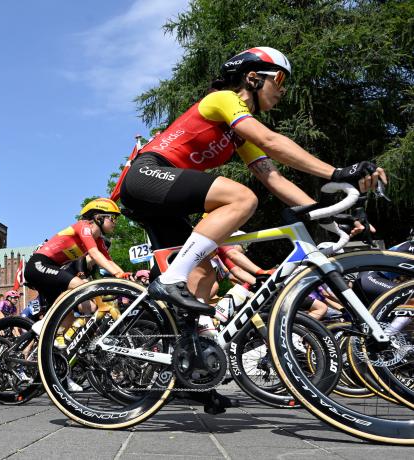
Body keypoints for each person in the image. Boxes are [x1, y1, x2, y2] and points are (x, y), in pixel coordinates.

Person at [112, 47, 386, 413]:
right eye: (281, 80)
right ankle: (170, 279)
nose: (284, 90)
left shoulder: (241, 136)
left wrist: (327, 214)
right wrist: (338, 173)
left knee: (205, 279)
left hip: (165, 199)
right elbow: (274, 142)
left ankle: (188, 374)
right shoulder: (223, 100)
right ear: (253, 78)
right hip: (147, 175)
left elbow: (273, 176)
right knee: (241, 198)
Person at [23, 198, 126, 350]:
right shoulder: (83, 227)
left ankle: (51, 348)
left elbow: (108, 261)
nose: (115, 222)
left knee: (75, 312)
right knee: (81, 285)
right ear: (99, 217)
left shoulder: (98, 240)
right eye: (113, 217)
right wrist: (118, 274)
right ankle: (44, 324)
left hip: (53, 268)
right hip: (38, 264)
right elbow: (95, 255)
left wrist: (126, 276)